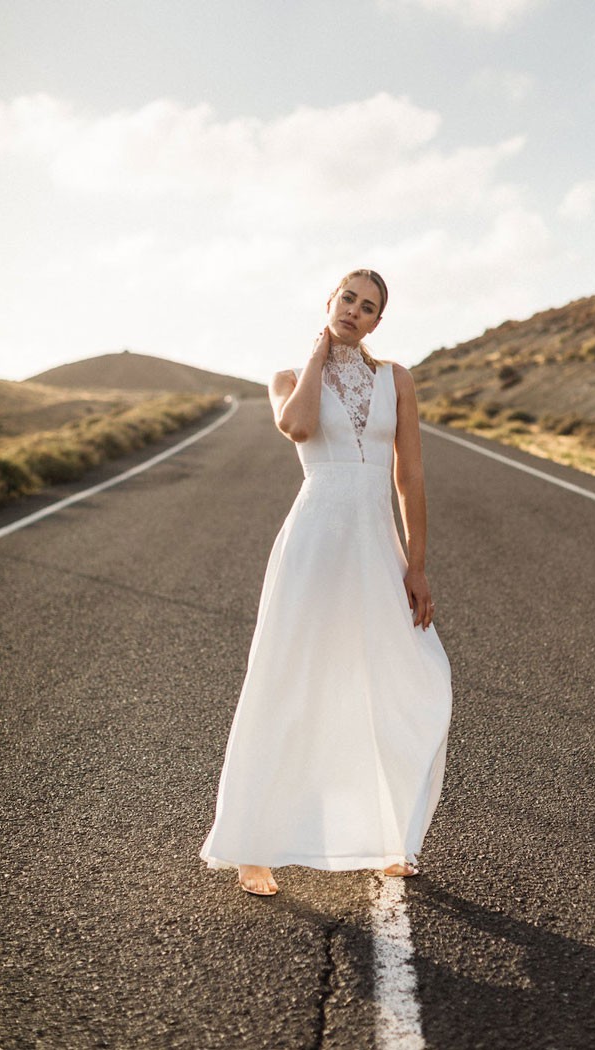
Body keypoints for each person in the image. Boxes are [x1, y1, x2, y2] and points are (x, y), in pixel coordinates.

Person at [199, 269, 452, 896]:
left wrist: (416, 565)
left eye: (368, 308)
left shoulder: (398, 379)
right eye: (348, 300)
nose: (355, 312)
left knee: (402, 675)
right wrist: (319, 353)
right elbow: (300, 428)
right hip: (314, 540)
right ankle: (253, 846)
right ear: (330, 302)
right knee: (289, 678)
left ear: (377, 322)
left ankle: (388, 836)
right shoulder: (288, 379)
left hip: (375, 544)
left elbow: (410, 478)